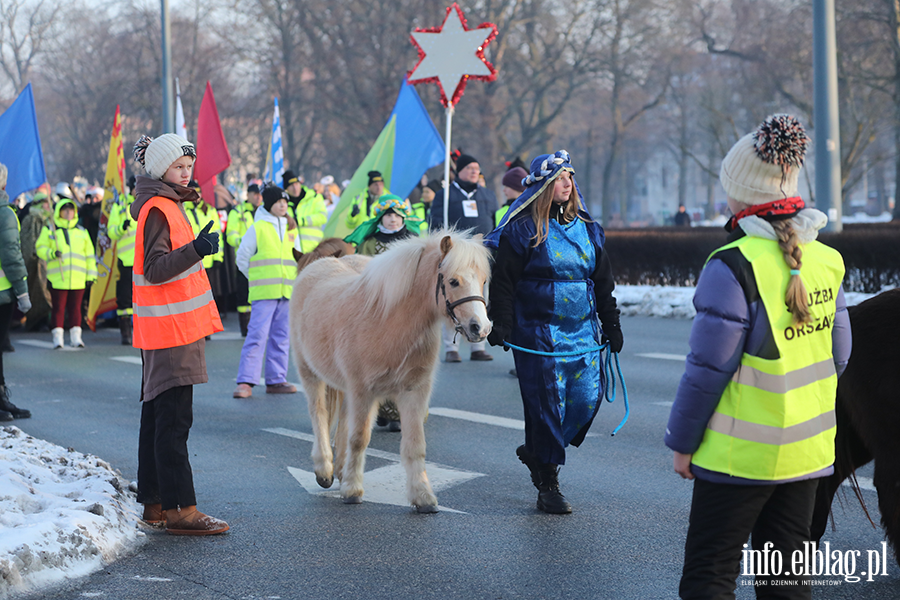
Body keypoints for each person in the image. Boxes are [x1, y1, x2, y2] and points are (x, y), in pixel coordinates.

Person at [665, 115, 851, 598]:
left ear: (741, 195)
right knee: (786, 584)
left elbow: (707, 372)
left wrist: (683, 444)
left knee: (710, 577)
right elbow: (841, 355)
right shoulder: (828, 260)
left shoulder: (732, 265)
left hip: (738, 458)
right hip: (807, 454)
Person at [485, 150, 622, 514]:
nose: (568, 184)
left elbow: (603, 281)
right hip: (537, 335)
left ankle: (536, 451)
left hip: (583, 333)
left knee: (586, 399)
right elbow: (503, 282)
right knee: (546, 408)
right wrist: (501, 323)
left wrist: (612, 325)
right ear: (545, 185)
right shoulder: (523, 229)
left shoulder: (588, 228)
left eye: (570, 177)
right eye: (561, 178)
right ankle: (548, 481)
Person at [130, 133, 228, 536]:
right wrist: (198, 249)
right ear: (160, 170)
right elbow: (155, 268)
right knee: (173, 421)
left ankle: (155, 502)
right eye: (178, 168)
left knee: (159, 416)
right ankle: (181, 511)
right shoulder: (159, 208)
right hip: (170, 329)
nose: (187, 174)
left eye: (189, 167)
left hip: (170, 327)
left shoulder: (166, 204)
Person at [343, 194, 421, 432]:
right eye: (388, 215)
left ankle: (401, 412)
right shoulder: (368, 243)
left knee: (407, 359)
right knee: (378, 358)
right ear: (380, 218)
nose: (393, 220)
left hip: (406, 308)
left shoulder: (414, 242)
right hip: (377, 307)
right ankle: (380, 409)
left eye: (397, 215)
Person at [232, 184, 300, 399]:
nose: (283, 205)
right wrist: (255, 279)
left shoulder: (291, 228)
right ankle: (245, 381)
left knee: (282, 336)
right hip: (264, 293)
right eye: (279, 202)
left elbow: (298, 256)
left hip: (287, 292)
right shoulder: (258, 227)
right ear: (269, 204)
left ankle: (276, 379)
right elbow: (242, 258)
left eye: (285, 202)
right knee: (257, 335)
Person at [429, 154, 498, 363]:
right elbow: (436, 224)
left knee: (478, 298)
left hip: (478, 256)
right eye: (469, 168)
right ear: (458, 171)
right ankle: (452, 346)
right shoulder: (446, 195)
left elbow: (493, 222)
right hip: (456, 257)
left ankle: (478, 344)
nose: (474, 171)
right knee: (455, 298)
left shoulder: (487, 194)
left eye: (477, 168)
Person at [35, 197, 97, 349]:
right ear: (59, 212)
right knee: (58, 308)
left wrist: (91, 275)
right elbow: (39, 248)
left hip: (78, 278)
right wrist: (51, 253)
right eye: (65, 210)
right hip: (58, 277)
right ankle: (58, 339)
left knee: (76, 308)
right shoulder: (50, 230)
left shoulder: (82, 232)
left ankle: (76, 338)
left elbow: (90, 255)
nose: (68, 213)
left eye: (71, 210)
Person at [0, 162, 32, 420]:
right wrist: (22, 292)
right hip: (3, 291)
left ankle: (1, 398)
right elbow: (11, 255)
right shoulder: (5, 213)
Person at [226, 182, 262, 337]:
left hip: (261, 259)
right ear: (248, 195)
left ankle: (257, 325)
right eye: (255, 194)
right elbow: (230, 235)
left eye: (260, 194)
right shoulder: (238, 212)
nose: (258, 197)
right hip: (244, 259)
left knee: (258, 293)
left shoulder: (263, 211)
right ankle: (245, 327)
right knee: (243, 294)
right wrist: (244, 242)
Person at [106, 176, 137, 344]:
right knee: (125, 298)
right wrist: (121, 227)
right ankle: (126, 332)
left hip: (146, 261)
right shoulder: (120, 207)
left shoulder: (147, 204)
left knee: (145, 298)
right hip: (126, 260)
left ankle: (142, 330)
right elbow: (111, 232)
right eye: (135, 187)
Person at [19, 191, 53, 331]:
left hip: (48, 262)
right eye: (45, 203)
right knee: (36, 292)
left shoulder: (50, 220)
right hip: (36, 263)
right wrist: (34, 257)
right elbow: (28, 241)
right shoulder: (31, 219)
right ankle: (35, 322)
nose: (47, 206)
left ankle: (44, 320)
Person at [282, 170, 327, 253]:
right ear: (286, 189)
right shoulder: (283, 203)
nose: (295, 188)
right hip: (293, 251)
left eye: (296, 184)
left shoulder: (314, 197)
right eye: (291, 186)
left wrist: (301, 221)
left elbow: (322, 217)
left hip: (314, 249)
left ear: (300, 183)